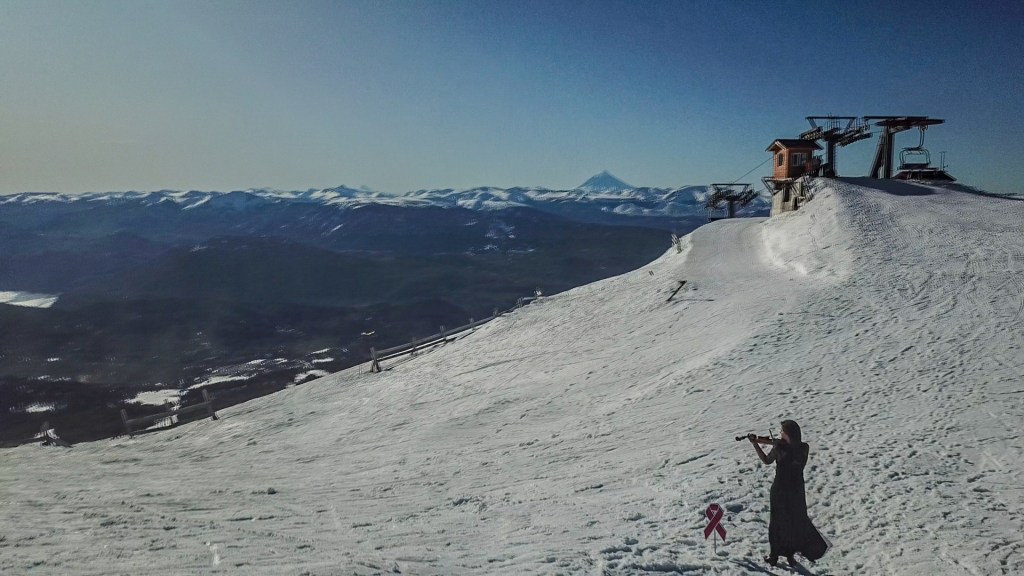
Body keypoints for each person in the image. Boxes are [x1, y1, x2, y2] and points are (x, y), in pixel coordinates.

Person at [748, 420, 828, 566]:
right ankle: (790, 555)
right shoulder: (804, 448)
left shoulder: (779, 448)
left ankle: (774, 555)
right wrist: (774, 442)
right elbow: (790, 449)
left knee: (777, 522)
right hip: (796, 490)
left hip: (780, 489)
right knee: (793, 521)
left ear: (787, 434)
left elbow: (766, 460)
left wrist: (755, 444)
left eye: (782, 432)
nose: (780, 434)